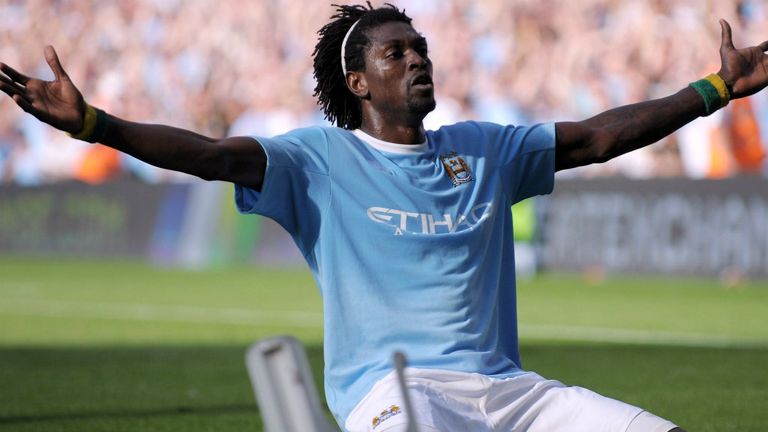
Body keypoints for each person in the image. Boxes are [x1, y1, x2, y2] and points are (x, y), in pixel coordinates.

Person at [2, 3, 767, 431]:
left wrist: (715, 88)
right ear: (359, 81)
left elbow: (601, 137)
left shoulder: (487, 150)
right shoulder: (316, 162)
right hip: (395, 395)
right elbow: (210, 155)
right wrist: (94, 124)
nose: (418, 59)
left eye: (421, 48)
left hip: (509, 392)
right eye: (397, 53)